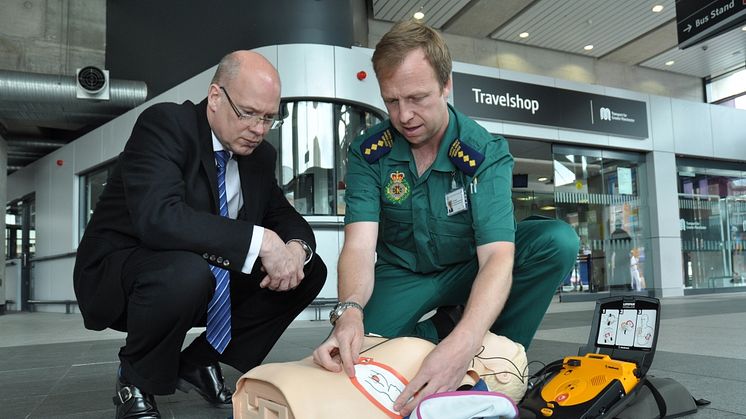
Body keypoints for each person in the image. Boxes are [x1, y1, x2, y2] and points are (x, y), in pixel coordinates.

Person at [312, 21, 579, 417]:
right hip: (402, 271)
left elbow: (496, 258)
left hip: (468, 266)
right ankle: (442, 332)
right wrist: (349, 310)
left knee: (557, 241)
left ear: (446, 84)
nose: (405, 115)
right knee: (354, 357)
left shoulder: (483, 151)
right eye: (392, 101)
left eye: (417, 97)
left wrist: (465, 345)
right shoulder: (370, 153)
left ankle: (494, 356)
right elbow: (359, 245)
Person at [73, 50, 326, 418]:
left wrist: (293, 247)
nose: (258, 128)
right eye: (248, 113)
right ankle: (134, 380)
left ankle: (200, 361)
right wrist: (263, 241)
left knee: (308, 269)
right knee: (186, 271)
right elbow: (158, 218)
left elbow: (281, 213)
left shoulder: (259, 157)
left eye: (269, 118)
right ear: (215, 97)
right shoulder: (165, 125)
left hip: (202, 272)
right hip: (124, 272)